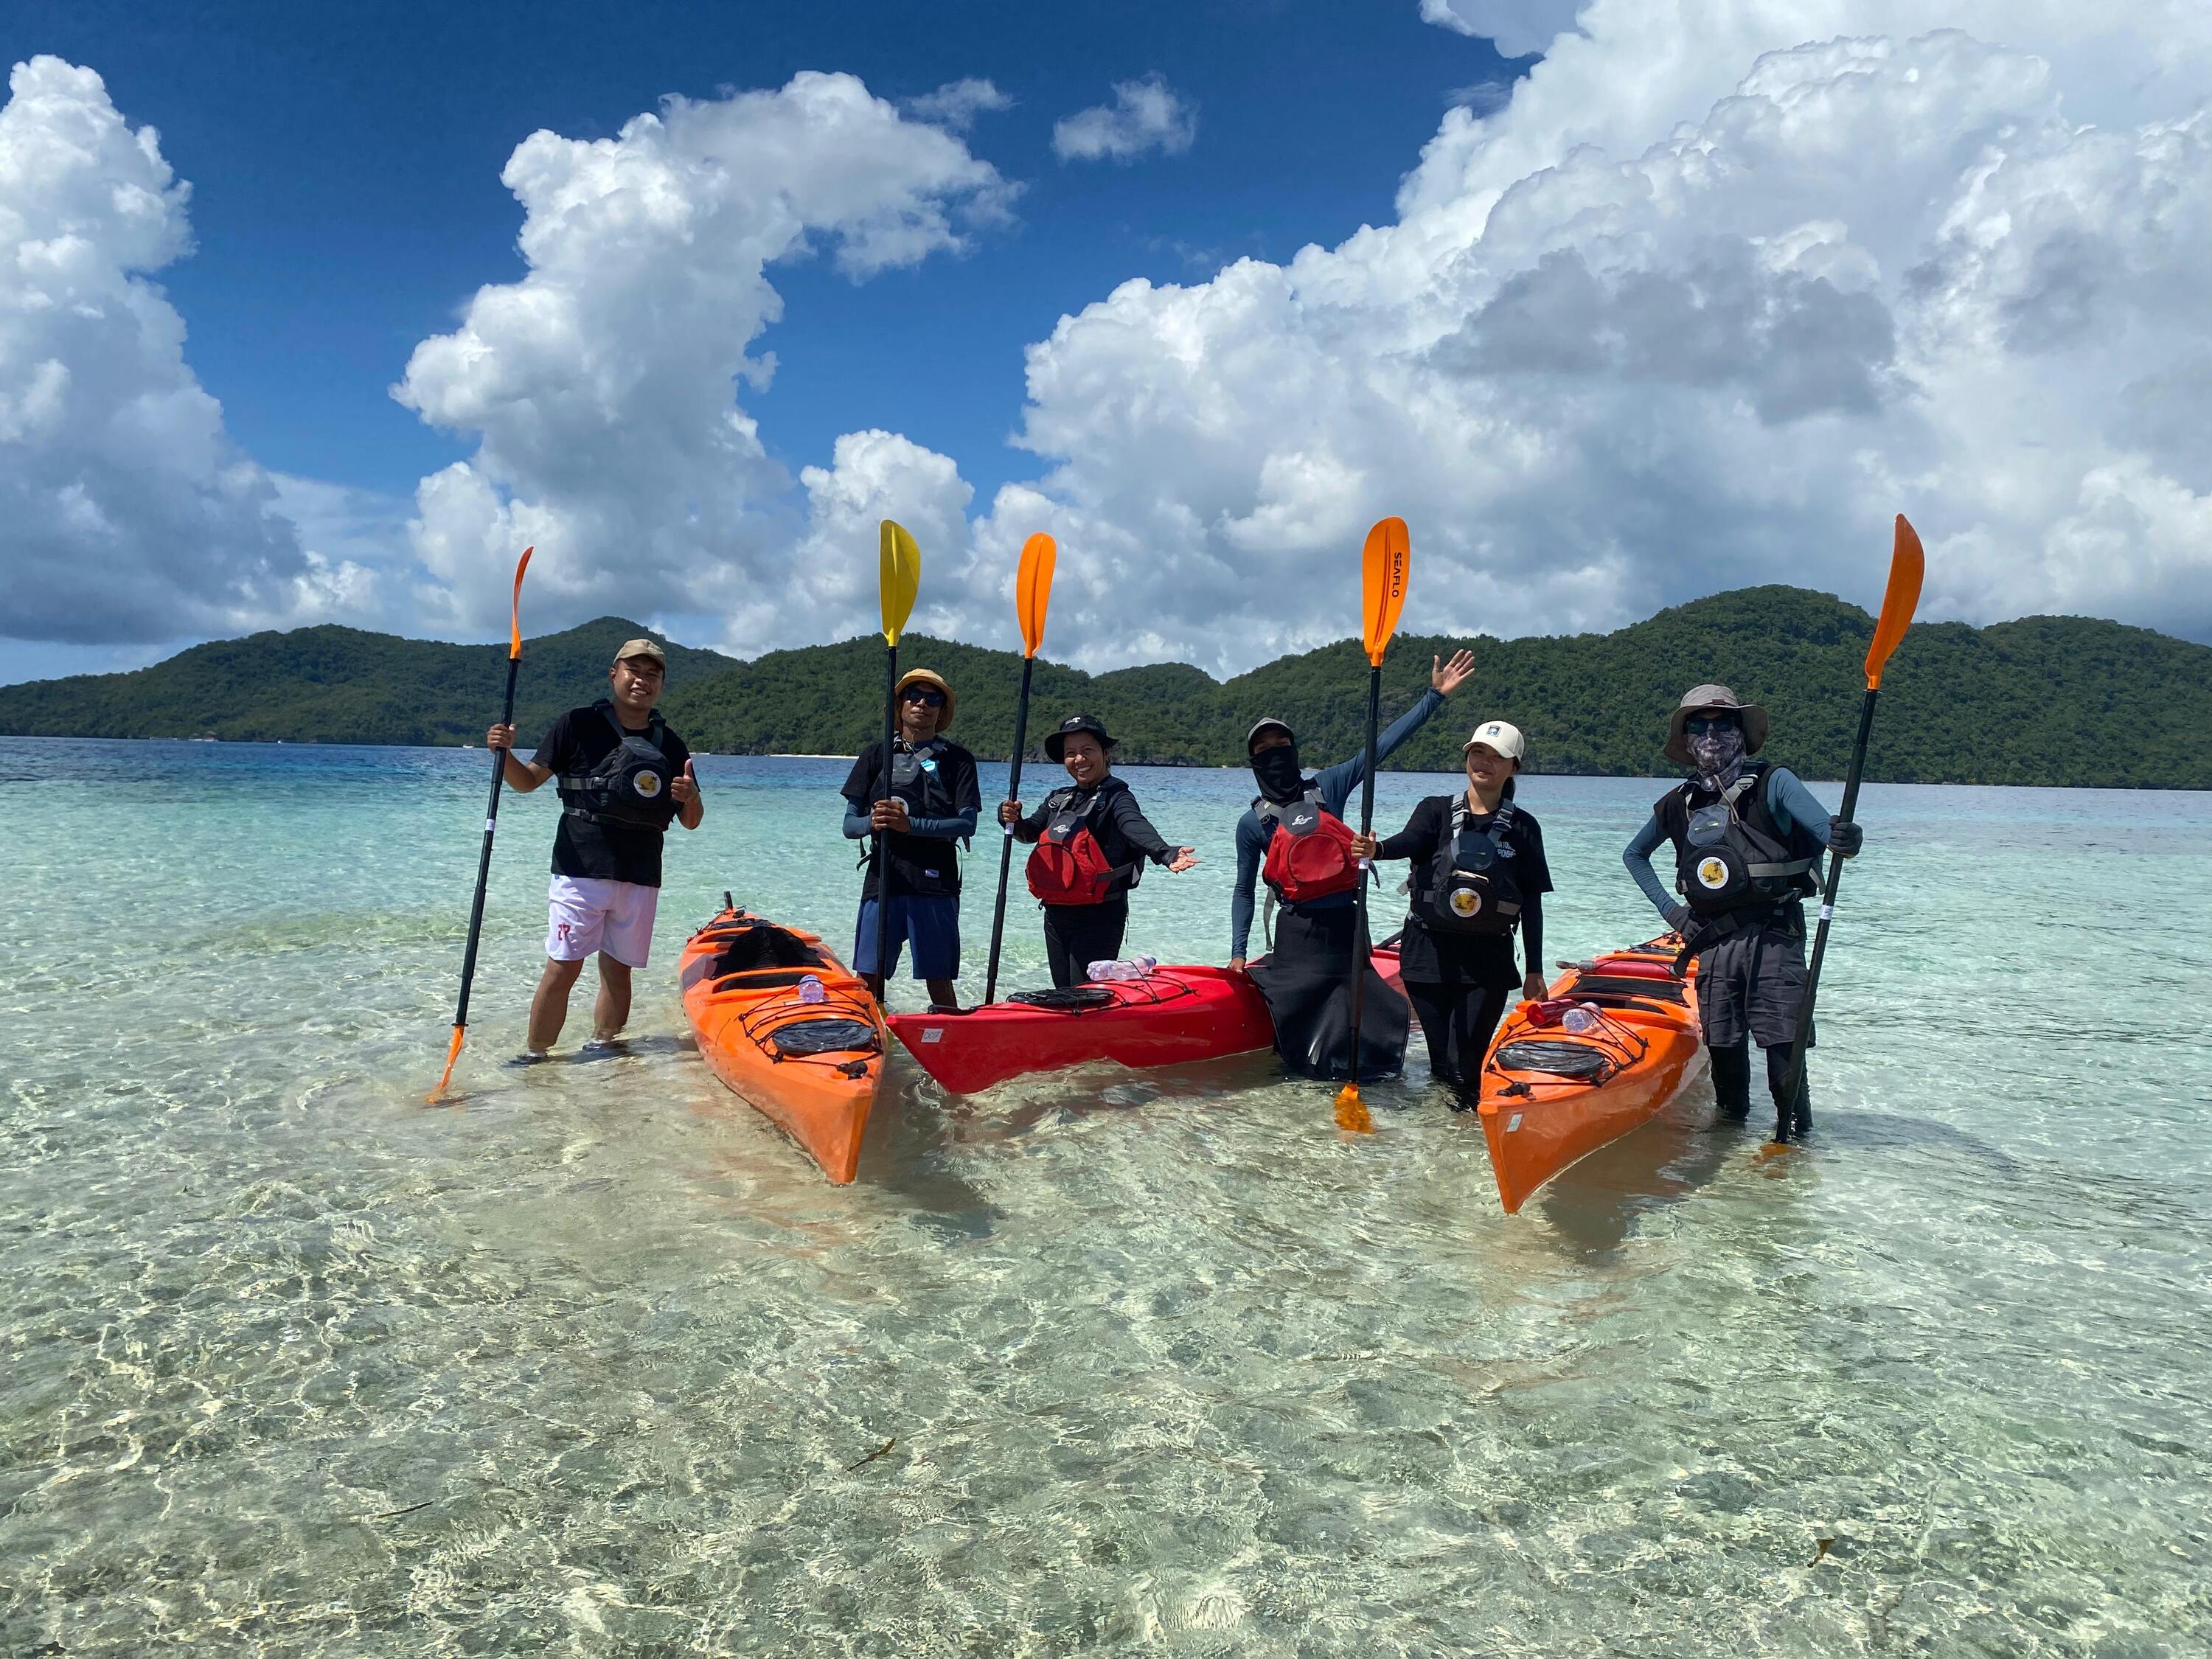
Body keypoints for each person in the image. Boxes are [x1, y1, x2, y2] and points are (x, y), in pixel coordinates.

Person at [1621, 684, 1863, 1135]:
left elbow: (1823, 828)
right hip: (1712, 943)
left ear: (1741, 732)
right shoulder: (1679, 802)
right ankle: (1727, 1154)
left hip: (1775, 936)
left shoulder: (1774, 782)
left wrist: (1844, 837)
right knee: (1727, 1060)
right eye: (1699, 726)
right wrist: (1673, 914)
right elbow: (1634, 856)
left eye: (1723, 724)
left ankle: (1790, 1152)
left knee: (1783, 1060)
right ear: (1687, 739)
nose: (1711, 735)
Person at [1229, 649, 1476, 1079]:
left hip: (1347, 920)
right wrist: (1238, 952)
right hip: (1296, 929)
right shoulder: (1252, 823)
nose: (1274, 755)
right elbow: (1244, 890)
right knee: (1298, 1017)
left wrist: (1433, 698)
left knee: (1353, 1010)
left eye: (1281, 746)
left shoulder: (1329, 785)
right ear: (1254, 761)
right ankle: (1296, 1078)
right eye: (1264, 750)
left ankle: (1370, 1073)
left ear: (1294, 749)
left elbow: (1379, 747)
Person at [487, 638, 703, 1059]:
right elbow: (528, 781)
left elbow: (690, 821)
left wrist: (691, 796)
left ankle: (604, 1046)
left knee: (618, 969)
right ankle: (536, 1056)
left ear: (661, 683)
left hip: (640, 872)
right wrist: (504, 752)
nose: (642, 681)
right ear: (614, 674)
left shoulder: (671, 743)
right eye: (633, 671)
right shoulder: (577, 724)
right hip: (580, 866)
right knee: (563, 966)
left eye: (652, 674)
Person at [1349, 718, 1551, 1105]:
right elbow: (1410, 841)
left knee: (1467, 1062)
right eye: (1478, 752)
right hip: (1427, 955)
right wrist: (1378, 850)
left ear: (1514, 768)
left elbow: (1532, 903)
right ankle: (1442, 1140)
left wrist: (1535, 971)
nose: (1485, 762)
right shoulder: (1435, 811)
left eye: (1497, 757)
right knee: (1442, 1064)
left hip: (1487, 962)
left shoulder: (1524, 828)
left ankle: (1467, 1128)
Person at [998, 713, 1201, 988]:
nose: (1079, 760)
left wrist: (1164, 852)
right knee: (1064, 992)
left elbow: (1134, 825)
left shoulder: (1118, 797)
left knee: (1086, 993)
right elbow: (1029, 832)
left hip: (1100, 915)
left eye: (1087, 750)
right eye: (1071, 753)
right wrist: (1011, 819)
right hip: (1057, 914)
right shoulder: (1058, 799)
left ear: (1105, 754)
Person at [841, 668, 981, 1009]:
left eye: (933, 698)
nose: (922, 704)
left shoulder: (958, 760)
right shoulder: (876, 756)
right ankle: (868, 1045)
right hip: (884, 879)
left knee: (939, 980)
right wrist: (872, 823)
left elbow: (966, 824)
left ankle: (949, 1045)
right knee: (868, 979)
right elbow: (849, 826)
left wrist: (909, 825)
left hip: (934, 882)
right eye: (913, 696)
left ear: (941, 709)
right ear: (900, 705)